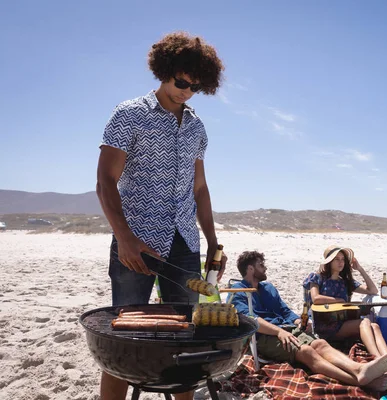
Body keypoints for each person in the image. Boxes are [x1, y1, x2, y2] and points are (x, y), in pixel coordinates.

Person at [96, 32, 226, 400]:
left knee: (185, 331)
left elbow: (199, 189)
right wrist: (124, 239)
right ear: (164, 71)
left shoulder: (197, 128)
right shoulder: (129, 114)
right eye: (181, 82)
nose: (186, 91)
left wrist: (214, 243)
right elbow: (105, 181)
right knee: (123, 332)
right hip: (135, 242)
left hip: (185, 242)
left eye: (195, 86)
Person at [229, 251, 387, 391]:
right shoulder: (238, 291)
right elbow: (249, 320)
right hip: (264, 336)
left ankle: (358, 369)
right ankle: (356, 380)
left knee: (320, 344)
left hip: (287, 329)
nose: (265, 268)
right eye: (260, 265)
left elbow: (284, 310)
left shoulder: (268, 288)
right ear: (250, 269)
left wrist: (298, 320)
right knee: (306, 351)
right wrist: (278, 331)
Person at [302, 246, 387, 357]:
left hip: (341, 321)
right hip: (324, 324)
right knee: (364, 322)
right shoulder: (317, 277)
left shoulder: (345, 282)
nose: (341, 262)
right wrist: (339, 300)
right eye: (337, 259)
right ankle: (376, 356)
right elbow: (316, 298)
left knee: (375, 326)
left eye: (343, 259)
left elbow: (372, 290)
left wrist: (360, 269)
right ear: (329, 261)